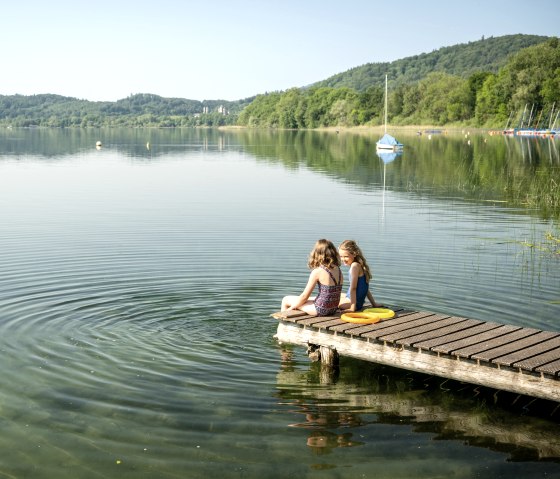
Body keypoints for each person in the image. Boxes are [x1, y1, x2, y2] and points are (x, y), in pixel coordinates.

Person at [281, 239, 343, 316]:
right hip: (333, 308)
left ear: (317, 253)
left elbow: (304, 296)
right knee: (310, 299)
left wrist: (291, 308)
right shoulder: (338, 269)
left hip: (321, 310)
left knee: (286, 299)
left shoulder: (318, 271)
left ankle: (283, 323)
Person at [338, 240, 381, 311]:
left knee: (330, 301)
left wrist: (352, 308)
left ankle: (353, 305)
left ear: (354, 254)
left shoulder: (354, 267)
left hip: (354, 303)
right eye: (341, 256)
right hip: (356, 301)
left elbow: (353, 288)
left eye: (346, 256)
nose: (343, 259)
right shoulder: (359, 265)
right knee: (336, 295)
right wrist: (374, 304)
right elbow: (365, 289)